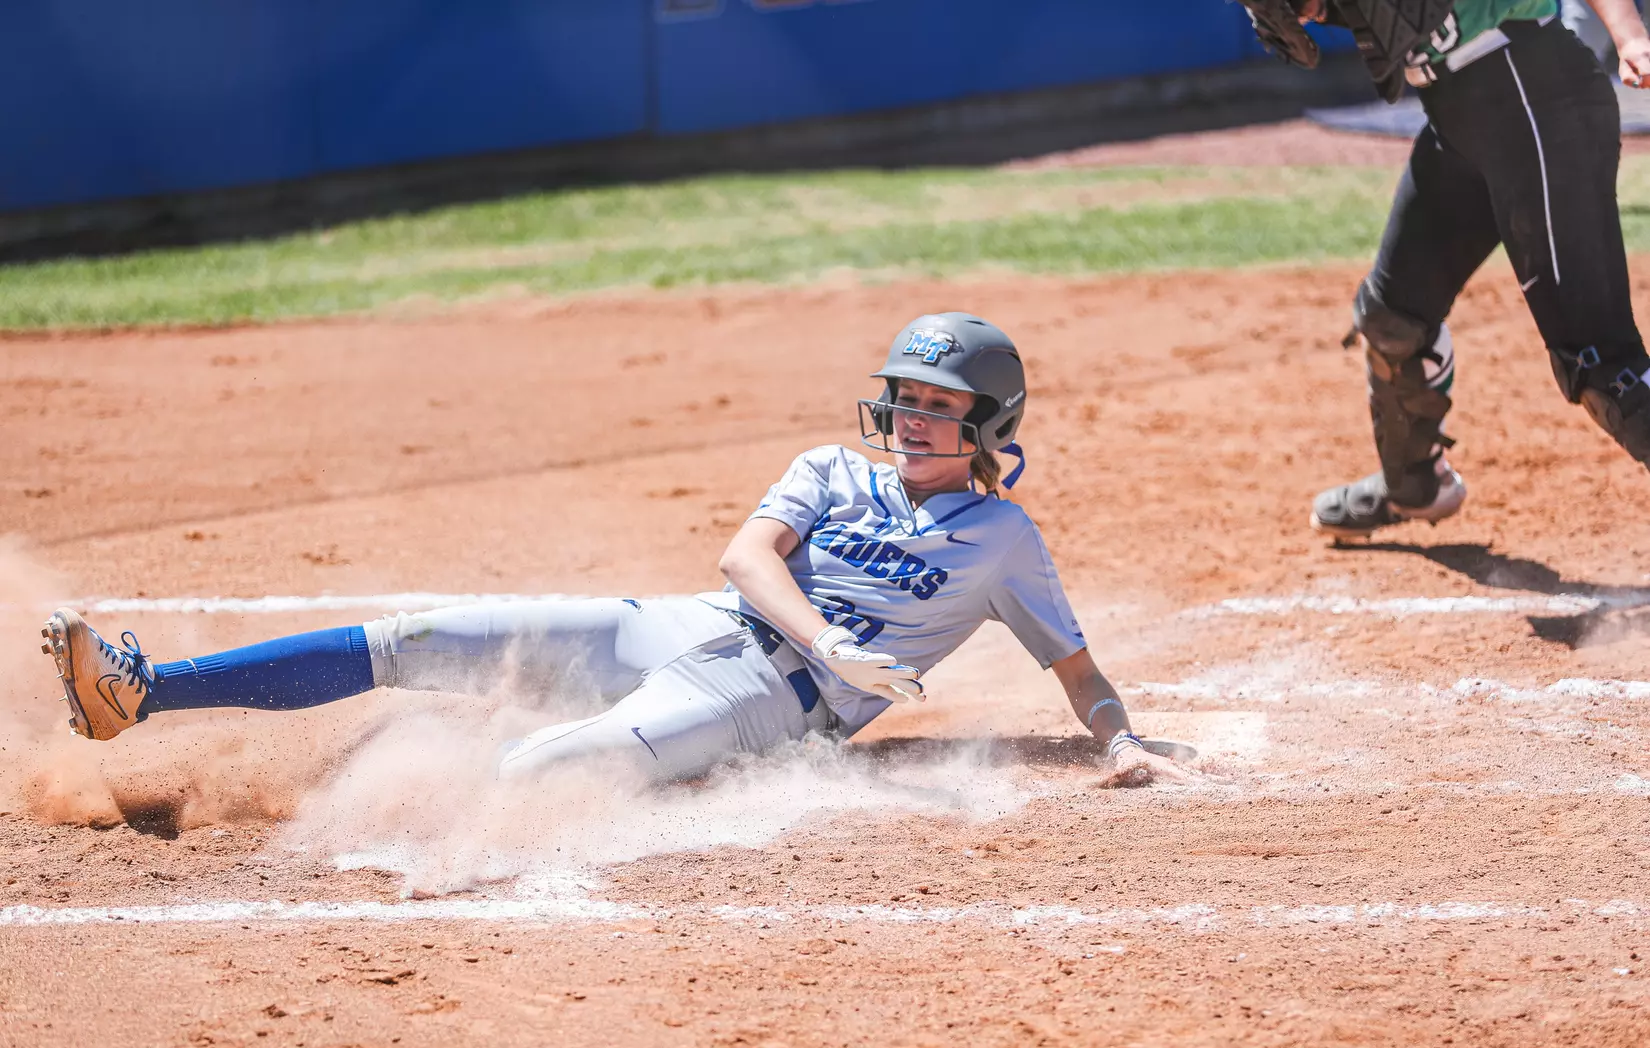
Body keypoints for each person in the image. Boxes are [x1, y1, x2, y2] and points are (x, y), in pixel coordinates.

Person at [39, 313, 1196, 786]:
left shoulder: (1001, 539)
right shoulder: (829, 465)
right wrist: (831, 628)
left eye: (935, 405)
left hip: (763, 702)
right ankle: (136, 697)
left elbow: (1080, 673)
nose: (905, 419)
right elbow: (749, 558)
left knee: (538, 771)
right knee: (414, 638)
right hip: (682, 622)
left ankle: (402, 799)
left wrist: (1125, 743)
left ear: (986, 425)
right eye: (900, 397)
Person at [1250, 0, 1650, 536]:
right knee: (1393, 318)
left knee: (1602, 364)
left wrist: (1628, 35)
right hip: (1457, 115)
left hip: (1537, 99)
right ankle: (1415, 487)